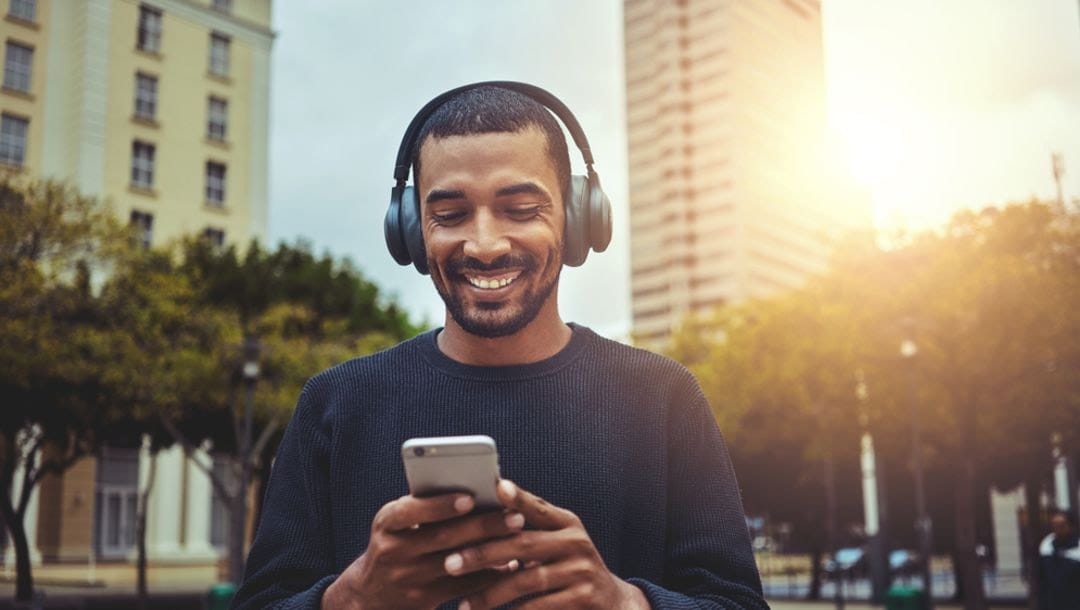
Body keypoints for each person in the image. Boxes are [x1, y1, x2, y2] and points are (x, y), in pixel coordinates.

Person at [232, 83, 767, 610]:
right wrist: (349, 601)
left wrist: (625, 603)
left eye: (522, 208)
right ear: (412, 231)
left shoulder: (664, 397)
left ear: (577, 217)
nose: (485, 245)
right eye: (450, 215)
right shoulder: (334, 403)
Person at [1038, 509, 1080, 610]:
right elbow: (1041, 582)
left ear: (1071, 526)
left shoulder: (1077, 550)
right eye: (1054, 525)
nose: (1057, 529)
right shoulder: (1046, 549)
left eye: (1062, 525)